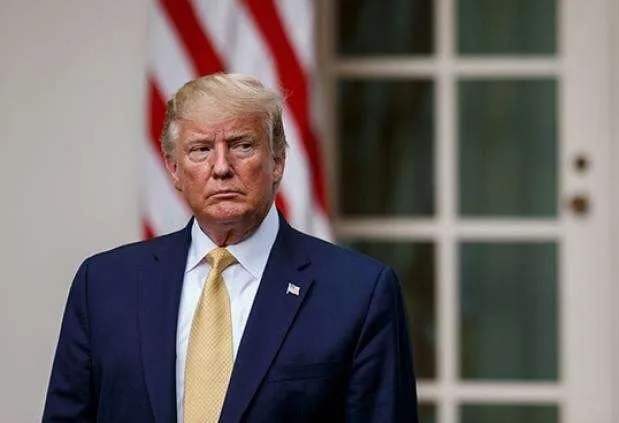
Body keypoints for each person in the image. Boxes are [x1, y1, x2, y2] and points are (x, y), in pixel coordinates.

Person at [43, 73, 418, 422]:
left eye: (242, 145)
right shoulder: (103, 286)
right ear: (173, 169)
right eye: (201, 149)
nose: (221, 167)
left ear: (278, 161)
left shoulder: (359, 293)